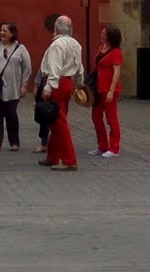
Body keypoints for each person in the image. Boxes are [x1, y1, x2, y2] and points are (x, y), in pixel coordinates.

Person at [38, 16, 84, 170]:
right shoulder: (75, 44)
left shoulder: (57, 45)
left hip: (57, 83)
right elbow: (79, 66)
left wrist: (48, 87)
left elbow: (55, 68)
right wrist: (79, 82)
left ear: (56, 28)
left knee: (59, 122)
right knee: (56, 121)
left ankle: (69, 160)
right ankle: (52, 156)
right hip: (68, 83)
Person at [0, 22, 30, 152]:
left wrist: (24, 85)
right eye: (1, 30)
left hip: (13, 88)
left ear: (12, 33)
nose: (2, 33)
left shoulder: (20, 48)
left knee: (11, 115)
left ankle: (14, 142)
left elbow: (27, 67)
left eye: (5, 31)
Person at [90, 24, 124, 157]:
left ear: (111, 37)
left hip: (109, 89)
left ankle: (114, 148)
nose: (102, 35)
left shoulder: (116, 52)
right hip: (98, 88)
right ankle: (102, 145)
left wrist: (111, 90)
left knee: (111, 118)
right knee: (96, 116)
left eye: (104, 34)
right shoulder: (101, 48)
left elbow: (117, 72)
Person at [30, 14, 59, 154]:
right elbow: (43, 67)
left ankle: (49, 144)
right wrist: (36, 85)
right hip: (45, 84)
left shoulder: (57, 46)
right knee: (44, 115)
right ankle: (45, 142)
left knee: (49, 114)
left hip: (52, 85)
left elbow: (51, 69)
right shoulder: (52, 47)